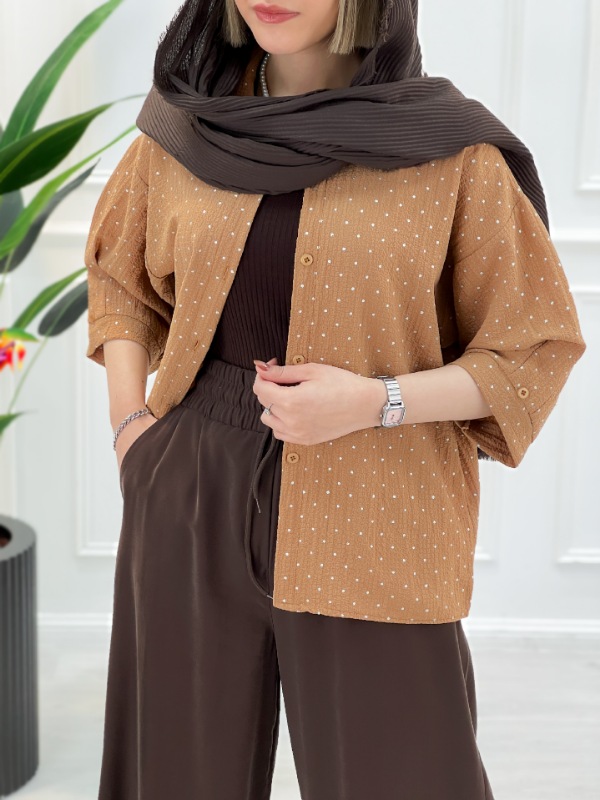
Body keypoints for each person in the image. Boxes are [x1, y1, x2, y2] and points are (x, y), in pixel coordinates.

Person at [84, 1, 587, 798]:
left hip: (379, 492)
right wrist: (130, 428)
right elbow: (120, 272)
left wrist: (375, 402)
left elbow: (532, 347)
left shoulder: (449, 152)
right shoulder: (186, 126)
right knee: (175, 776)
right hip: (191, 484)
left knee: (404, 776)